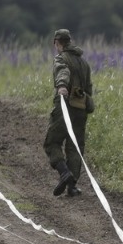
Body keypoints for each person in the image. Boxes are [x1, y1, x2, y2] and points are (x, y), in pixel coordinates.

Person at [44, 28, 93, 197]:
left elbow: (62, 71)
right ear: (69, 41)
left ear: (57, 43)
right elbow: (89, 88)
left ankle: (64, 172)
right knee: (75, 147)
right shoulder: (84, 63)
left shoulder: (61, 58)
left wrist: (62, 86)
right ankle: (72, 186)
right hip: (81, 108)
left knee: (52, 142)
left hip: (64, 105)